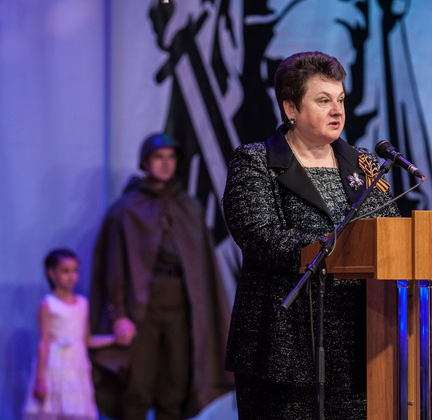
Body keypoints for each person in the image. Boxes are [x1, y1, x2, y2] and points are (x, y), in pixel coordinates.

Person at [222, 51, 401, 419]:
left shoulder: (362, 162)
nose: (337, 111)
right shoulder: (256, 161)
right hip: (283, 346)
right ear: (291, 108)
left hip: (358, 346)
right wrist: (331, 246)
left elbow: (391, 234)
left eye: (341, 99)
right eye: (323, 100)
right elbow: (258, 234)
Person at [89, 133, 234, 419]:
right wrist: (119, 314)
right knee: (137, 387)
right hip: (142, 308)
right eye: (158, 157)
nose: (166, 164)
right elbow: (114, 265)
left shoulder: (188, 206)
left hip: (181, 306)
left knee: (175, 385)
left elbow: (202, 267)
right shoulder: (127, 209)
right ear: (145, 162)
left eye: (171, 157)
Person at [22, 248, 115, 420]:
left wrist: (114, 339)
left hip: (76, 366)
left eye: (74, 271)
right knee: (52, 409)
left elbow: (87, 340)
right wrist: (40, 379)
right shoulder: (48, 304)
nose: (72, 276)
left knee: (76, 409)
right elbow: (44, 342)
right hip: (55, 365)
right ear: (52, 273)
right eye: (65, 271)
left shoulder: (82, 303)